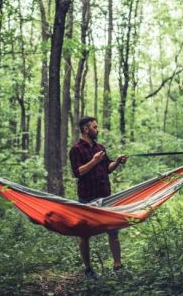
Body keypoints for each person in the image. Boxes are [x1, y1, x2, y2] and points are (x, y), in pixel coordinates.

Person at [69, 116, 128, 279]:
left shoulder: (100, 147)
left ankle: (118, 266)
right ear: (86, 129)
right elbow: (77, 172)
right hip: (86, 197)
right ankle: (88, 269)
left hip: (105, 196)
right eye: (95, 127)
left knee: (113, 231)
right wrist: (94, 161)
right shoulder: (76, 150)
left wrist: (117, 161)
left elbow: (107, 168)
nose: (98, 129)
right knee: (84, 234)